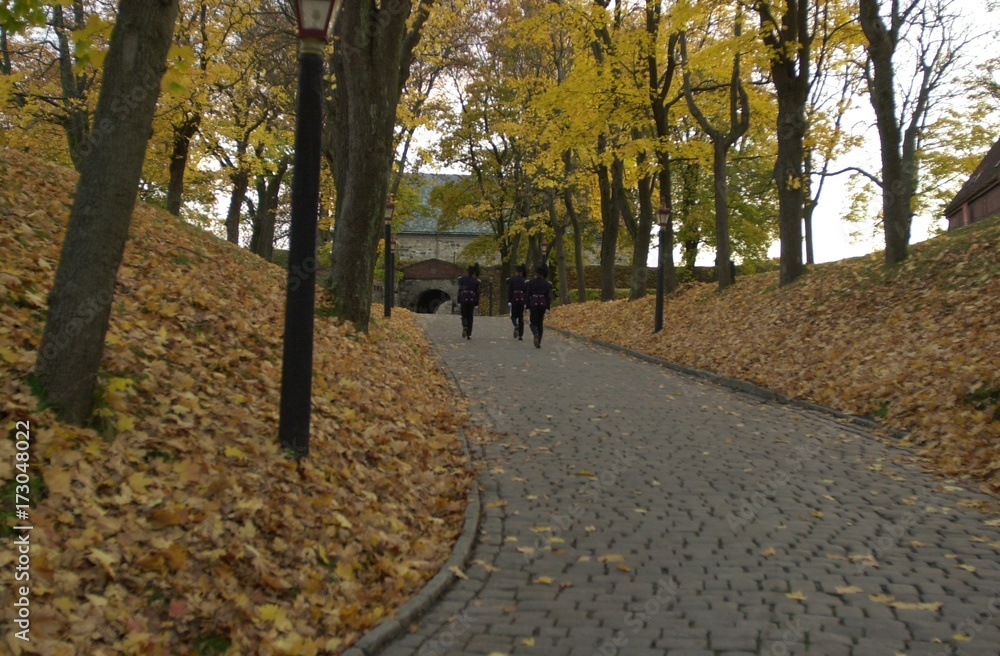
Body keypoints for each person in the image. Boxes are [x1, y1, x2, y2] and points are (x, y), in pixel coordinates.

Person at [525, 265, 552, 348]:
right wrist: (548, 307)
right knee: (540, 323)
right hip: (542, 304)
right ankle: (539, 342)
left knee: (532, 323)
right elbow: (548, 296)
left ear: (536, 273)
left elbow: (528, 295)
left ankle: (535, 333)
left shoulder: (531, 282)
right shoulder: (546, 283)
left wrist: (527, 306)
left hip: (534, 303)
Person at [457, 264, 481, 340]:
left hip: (464, 298)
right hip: (471, 299)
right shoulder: (475, 281)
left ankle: (465, 326)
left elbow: (460, 291)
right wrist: (476, 303)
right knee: (470, 317)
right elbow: (477, 293)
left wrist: (459, 300)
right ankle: (469, 334)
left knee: (463, 315)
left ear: (467, 272)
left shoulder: (462, 279)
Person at [506, 264, 528, 340]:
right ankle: (520, 335)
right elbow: (526, 292)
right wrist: (526, 302)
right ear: (521, 272)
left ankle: (515, 325)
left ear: (516, 272)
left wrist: (509, 300)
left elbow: (510, 291)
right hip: (522, 299)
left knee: (513, 316)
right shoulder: (525, 281)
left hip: (514, 298)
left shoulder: (512, 280)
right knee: (521, 317)